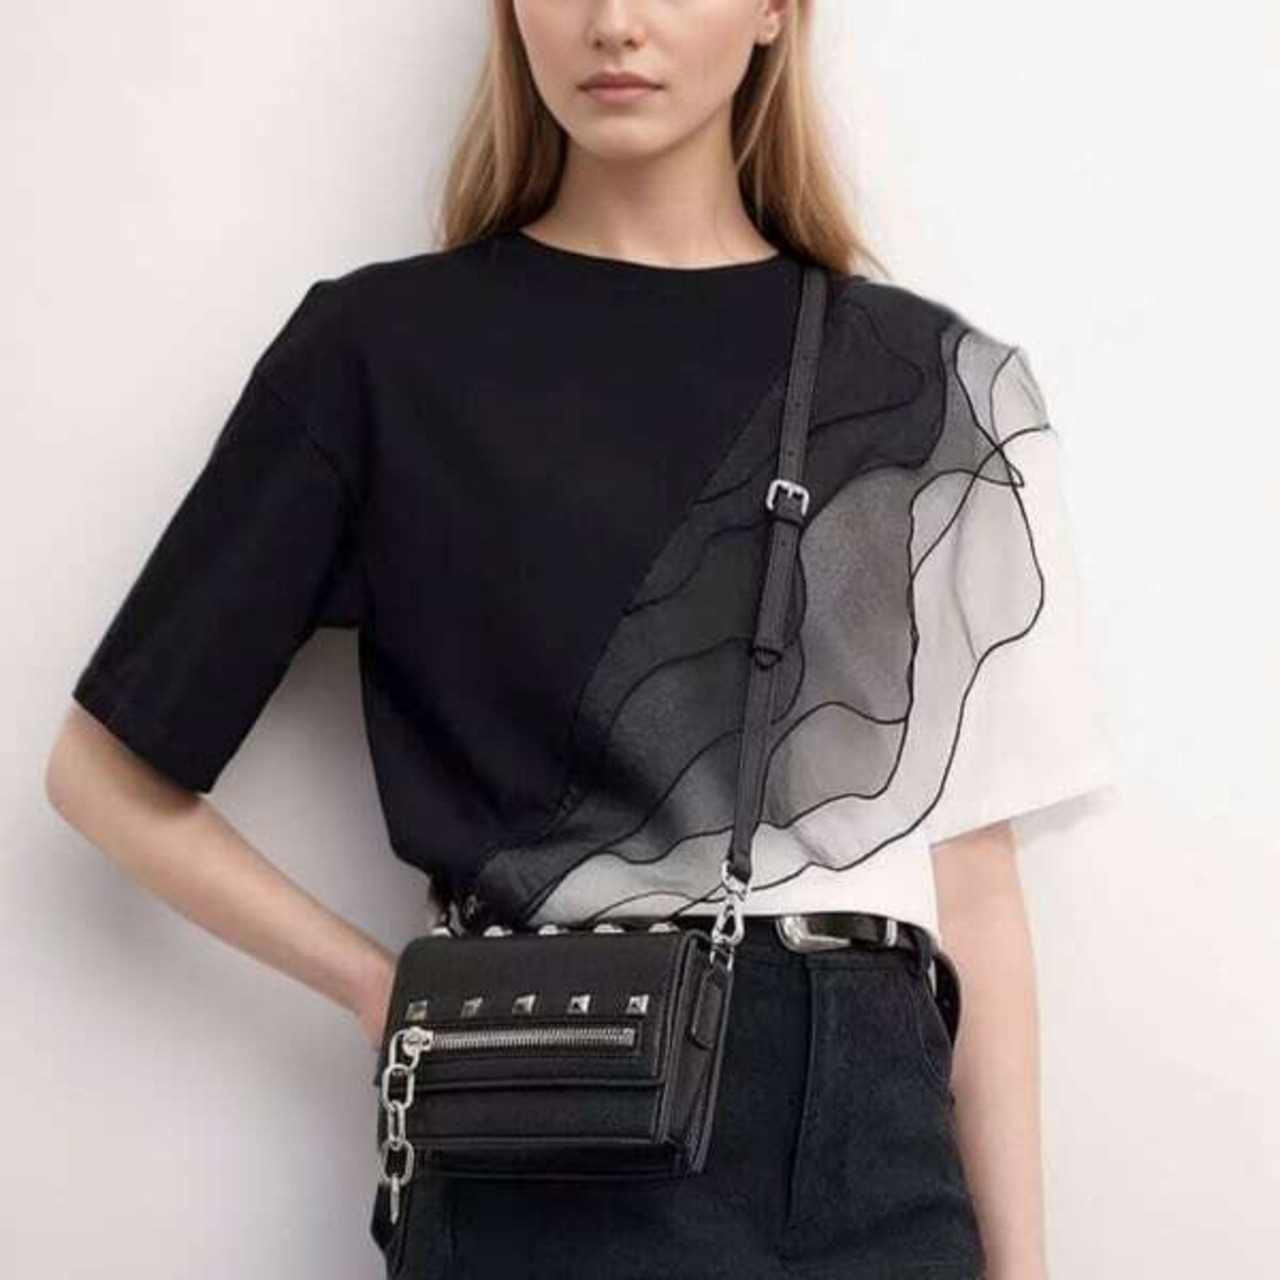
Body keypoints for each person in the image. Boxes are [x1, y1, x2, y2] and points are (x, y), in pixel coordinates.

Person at [45, 2, 1119, 1277]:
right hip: (557, 1114)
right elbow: (102, 774)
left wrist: (1021, 1264)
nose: (614, 23)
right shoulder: (381, 355)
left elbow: (973, 885)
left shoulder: (935, 385)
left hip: (878, 1122)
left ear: (773, 12)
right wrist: (379, 987)